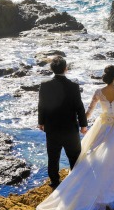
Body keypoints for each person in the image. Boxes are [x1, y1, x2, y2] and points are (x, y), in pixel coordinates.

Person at [33, 64, 114, 210]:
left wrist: (82, 124)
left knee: (90, 154)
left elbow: (89, 110)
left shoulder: (99, 92)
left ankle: (61, 180)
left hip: (101, 125)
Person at [37, 55, 88, 189]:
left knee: (53, 157)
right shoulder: (73, 86)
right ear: (66, 69)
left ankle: (54, 182)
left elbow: (41, 105)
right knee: (75, 156)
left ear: (52, 69)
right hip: (70, 128)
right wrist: (83, 125)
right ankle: (77, 180)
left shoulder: (45, 85)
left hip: (52, 127)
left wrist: (40, 122)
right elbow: (79, 107)